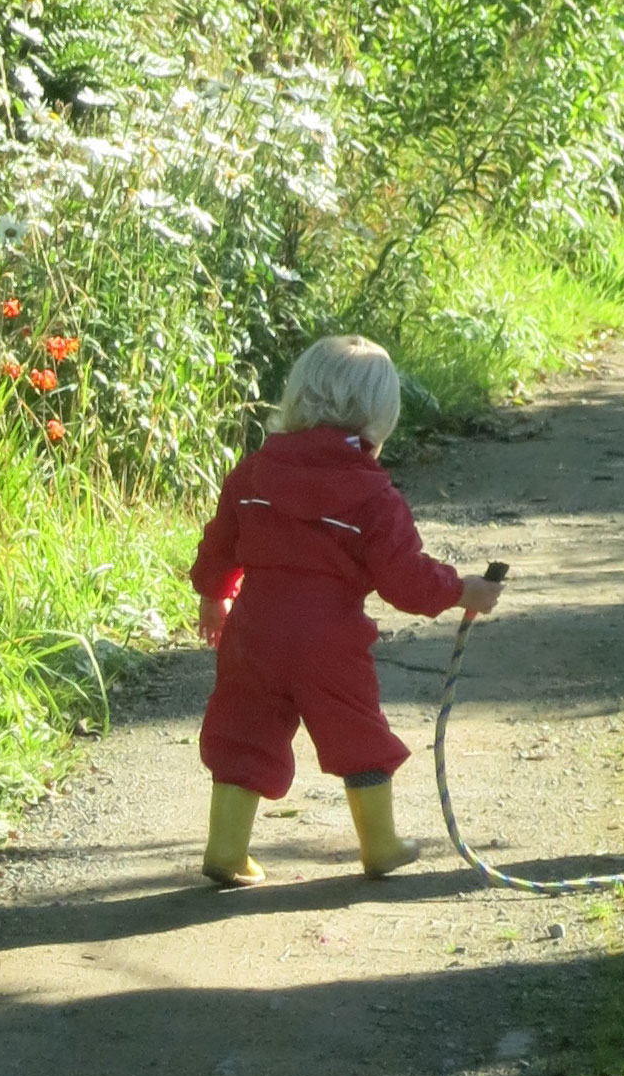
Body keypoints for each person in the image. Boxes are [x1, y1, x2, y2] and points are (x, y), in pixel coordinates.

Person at [190, 334, 505, 886]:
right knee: (355, 732)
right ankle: (379, 844)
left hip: (253, 634)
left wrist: (215, 596)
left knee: (243, 730)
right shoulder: (372, 494)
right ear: (378, 418)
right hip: (328, 643)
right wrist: (462, 589)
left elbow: (220, 545)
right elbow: (405, 580)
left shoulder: (253, 473)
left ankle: (225, 848)